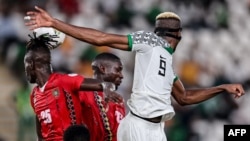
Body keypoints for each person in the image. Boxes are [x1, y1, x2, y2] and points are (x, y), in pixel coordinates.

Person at [25, 7, 245, 141]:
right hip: (140, 126)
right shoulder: (150, 41)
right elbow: (101, 39)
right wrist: (54, 23)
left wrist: (221, 88)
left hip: (155, 129)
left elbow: (184, 97)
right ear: (178, 35)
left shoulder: (166, 64)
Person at [24, 33, 121, 141]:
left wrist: (107, 88)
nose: (25, 71)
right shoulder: (34, 95)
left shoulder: (64, 81)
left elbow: (104, 84)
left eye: (25, 65)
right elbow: (40, 135)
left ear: (31, 64)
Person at [79, 53, 125, 141]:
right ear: (103, 69)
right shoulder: (83, 93)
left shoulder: (119, 100)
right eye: (118, 70)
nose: (121, 75)